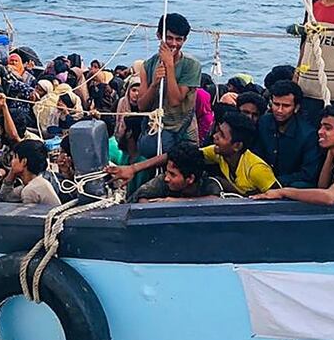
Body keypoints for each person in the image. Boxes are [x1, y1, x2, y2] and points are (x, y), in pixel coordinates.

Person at [110, 112, 276, 196]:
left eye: (222, 135)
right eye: (217, 132)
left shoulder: (257, 169)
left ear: (237, 146)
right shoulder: (218, 153)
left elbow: (279, 201)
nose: (214, 137)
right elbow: (177, 156)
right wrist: (134, 168)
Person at [137, 13, 203, 158]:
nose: (173, 44)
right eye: (169, 38)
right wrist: (154, 84)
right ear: (159, 36)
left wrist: (169, 66)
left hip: (183, 130)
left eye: (179, 39)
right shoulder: (147, 66)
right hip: (156, 128)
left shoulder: (191, 66)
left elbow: (175, 100)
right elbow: (142, 106)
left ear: (185, 40)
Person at [252, 81, 322, 189]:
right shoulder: (263, 123)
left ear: (296, 107)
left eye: (286, 106)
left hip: (289, 188)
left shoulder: (308, 134)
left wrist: (276, 182)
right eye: (276, 104)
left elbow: (308, 173)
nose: (279, 110)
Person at [128, 143, 223, 203]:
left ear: (190, 179)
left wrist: (177, 202)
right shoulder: (163, 181)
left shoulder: (209, 185)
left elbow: (215, 200)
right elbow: (141, 196)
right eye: (167, 172)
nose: (167, 178)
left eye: (173, 174)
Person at [0, 139, 61, 206]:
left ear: (24, 161)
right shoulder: (37, 182)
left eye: (15, 157)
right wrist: (12, 172)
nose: (12, 161)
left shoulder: (30, 190)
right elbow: (5, 197)